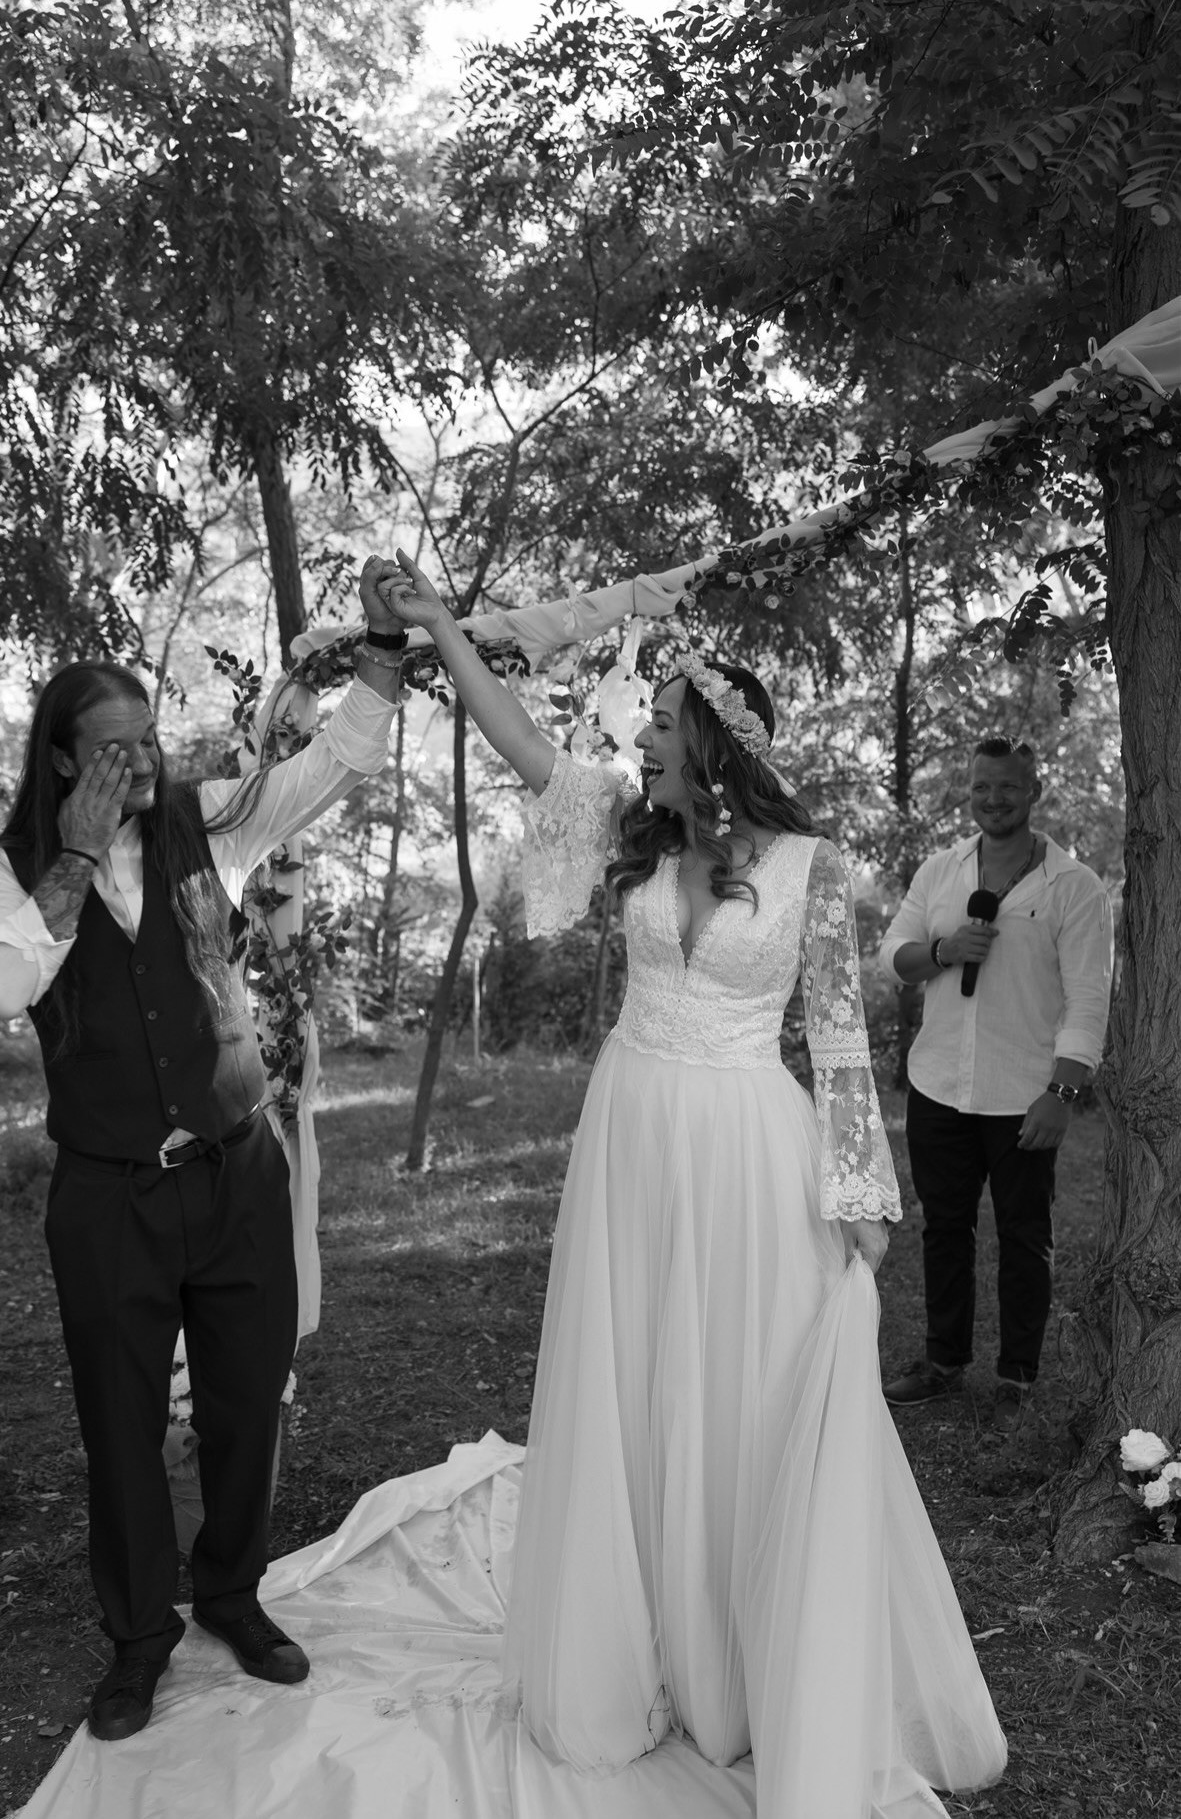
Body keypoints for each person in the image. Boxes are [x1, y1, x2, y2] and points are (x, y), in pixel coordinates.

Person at [370, 551, 1007, 1818]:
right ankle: (639, 1648)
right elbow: (518, 741)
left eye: (662, 726)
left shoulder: (814, 865)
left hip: (749, 1152)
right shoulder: (626, 830)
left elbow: (836, 1033)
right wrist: (442, 625)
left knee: (745, 1396)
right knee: (636, 1382)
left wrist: (860, 1194)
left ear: (712, 745)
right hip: (634, 1138)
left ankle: (742, 1662)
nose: (643, 741)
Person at [0, 560, 406, 1742]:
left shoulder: (206, 821)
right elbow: (2, 981)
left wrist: (379, 651)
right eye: (113, 748)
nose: (142, 763)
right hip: (109, 1198)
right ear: (63, 760)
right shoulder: (6, 870)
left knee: (246, 1407)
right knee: (119, 1427)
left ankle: (232, 1594)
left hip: (237, 1175)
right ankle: (138, 1640)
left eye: (147, 739)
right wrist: (71, 856)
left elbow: (335, 764)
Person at [877, 736, 1112, 1423]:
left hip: (1023, 1095)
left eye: (1006, 787)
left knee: (1023, 1236)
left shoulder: (1073, 886)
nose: (992, 799)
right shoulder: (941, 872)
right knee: (943, 1228)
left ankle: (1016, 1378)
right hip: (938, 1083)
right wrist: (943, 950)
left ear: (1033, 789)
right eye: (981, 787)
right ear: (968, 789)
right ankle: (942, 1362)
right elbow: (895, 953)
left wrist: (1062, 1094)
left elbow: (1087, 1001)